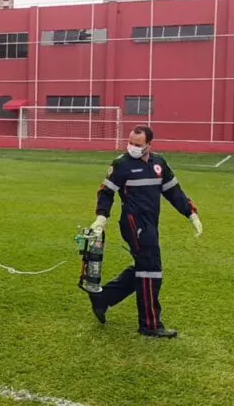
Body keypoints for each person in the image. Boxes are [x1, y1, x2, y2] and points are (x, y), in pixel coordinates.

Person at [86, 125, 203, 338]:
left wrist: (191, 214)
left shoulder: (159, 163)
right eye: (130, 142)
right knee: (151, 270)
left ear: (149, 144)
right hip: (133, 224)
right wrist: (101, 217)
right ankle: (150, 324)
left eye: (137, 144)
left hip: (150, 224)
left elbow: (173, 192)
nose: (132, 147)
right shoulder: (120, 164)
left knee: (144, 267)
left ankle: (103, 298)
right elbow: (106, 193)